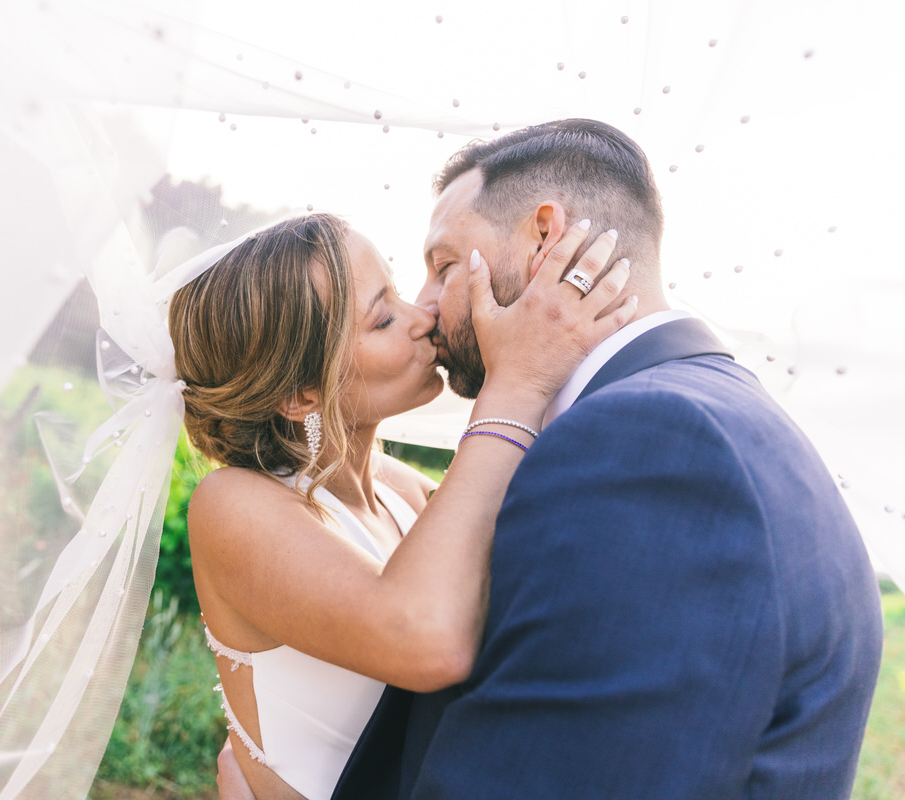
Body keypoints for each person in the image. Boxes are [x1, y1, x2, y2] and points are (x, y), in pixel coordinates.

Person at [331, 118, 884, 799]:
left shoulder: (653, 443)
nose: (423, 304)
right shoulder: (702, 413)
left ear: (544, 237)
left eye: (443, 265)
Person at [168, 210, 637, 799]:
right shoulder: (232, 504)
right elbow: (426, 641)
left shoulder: (406, 491)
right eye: (384, 318)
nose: (425, 318)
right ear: (299, 393)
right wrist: (515, 387)